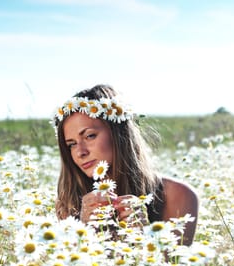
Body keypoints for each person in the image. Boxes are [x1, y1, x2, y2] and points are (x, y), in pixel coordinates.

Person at [54, 84, 198, 246]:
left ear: (118, 133)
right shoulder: (69, 203)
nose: (80, 152)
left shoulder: (176, 195)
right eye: (71, 144)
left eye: (90, 136)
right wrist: (85, 234)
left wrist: (143, 237)